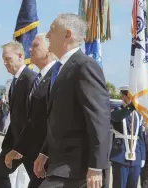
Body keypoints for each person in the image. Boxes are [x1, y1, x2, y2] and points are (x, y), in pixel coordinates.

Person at [34, 13, 112, 188]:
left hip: (78, 170)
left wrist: (96, 166)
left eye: (52, 30)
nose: (47, 35)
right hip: (60, 164)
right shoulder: (62, 68)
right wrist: (44, 152)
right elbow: (59, 118)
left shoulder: (85, 66)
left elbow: (99, 118)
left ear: (67, 35)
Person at [4, 33, 57, 188]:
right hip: (36, 153)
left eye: (35, 45)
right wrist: (18, 148)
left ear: (48, 50)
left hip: (49, 156)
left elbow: (55, 120)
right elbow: (33, 118)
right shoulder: (41, 77)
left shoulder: (56, 76)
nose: (29, 49)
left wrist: (45, 153)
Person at [0, 41, 37, 188]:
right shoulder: (12, 82)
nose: (5, 63)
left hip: (29, 144)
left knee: (37, 183)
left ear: (20, 56)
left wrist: (23, 146)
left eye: (8, 59)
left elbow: (34, 116)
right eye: (3, 59)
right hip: (14, 142)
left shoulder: (31, 79)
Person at [110, 86, 146, 188]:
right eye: (131, 96)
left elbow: (141, 137)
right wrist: (130, 107)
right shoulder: (116, 111)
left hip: (136, 156)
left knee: (133, 185)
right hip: (120, 155)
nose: (133, 99)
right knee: (119, 185)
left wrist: (142, 157)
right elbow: (117, 117)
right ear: (123, 97)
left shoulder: (138, 115)